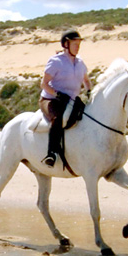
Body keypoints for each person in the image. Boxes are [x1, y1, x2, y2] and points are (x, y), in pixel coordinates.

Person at [39, 30, 92, 167]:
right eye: (75, 44)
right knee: (58, 118)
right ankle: (52, 154)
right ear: (66, 44)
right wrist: (57, 94)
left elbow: (86, 80)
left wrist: (89, 91)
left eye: (79, 44)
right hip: (51, 99)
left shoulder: (80, 63)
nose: (77, 47)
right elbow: (43, 84)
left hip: (71, 100)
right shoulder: (56, 61)